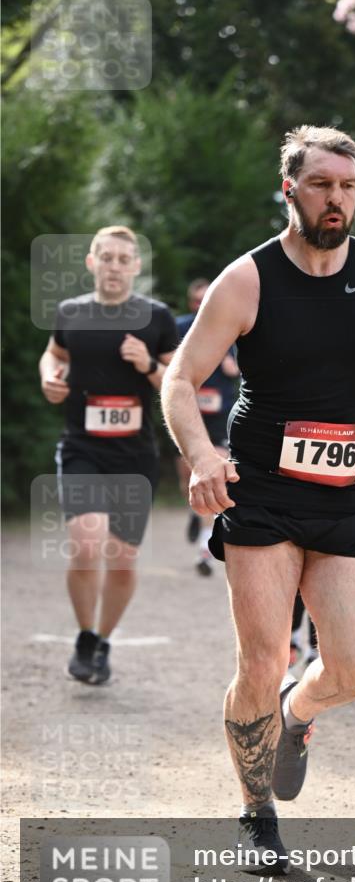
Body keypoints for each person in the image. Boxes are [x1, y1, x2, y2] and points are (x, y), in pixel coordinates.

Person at [162, 125, 355, 872]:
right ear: (290, 189)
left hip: (349, 491)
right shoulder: (247, 280)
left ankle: (296, 712)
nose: (336, 199)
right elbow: (180, 378)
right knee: (262, 657)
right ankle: (256, 813)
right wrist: (202, 454)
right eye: (321, 185)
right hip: (263, 490)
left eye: (347, 186)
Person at [39, 225, 179, 684]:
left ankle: (102, 639)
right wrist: (50, 377)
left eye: (123, 259)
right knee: (86, 543)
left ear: (135, 266)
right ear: (92, 262)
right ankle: (84, 636)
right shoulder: (71, 312)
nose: (114, 266)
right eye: (107, 257)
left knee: (121, 560)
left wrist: (148, 364)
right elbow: (53, 354)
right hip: (82, 448)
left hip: (134, 457)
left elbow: (178, 382)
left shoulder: (156, 318)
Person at [175, 278, 240, 576]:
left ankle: (205, 549)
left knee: (212, 475)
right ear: (191, 304)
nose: (202, 306)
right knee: (187, 476)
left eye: (206, 300)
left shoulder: (232, 326)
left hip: (219, 415)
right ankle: (195, 512)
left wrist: (230, 364)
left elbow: (242, 370)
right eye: (197, 301)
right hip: (187, 415)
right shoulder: (180, 327)